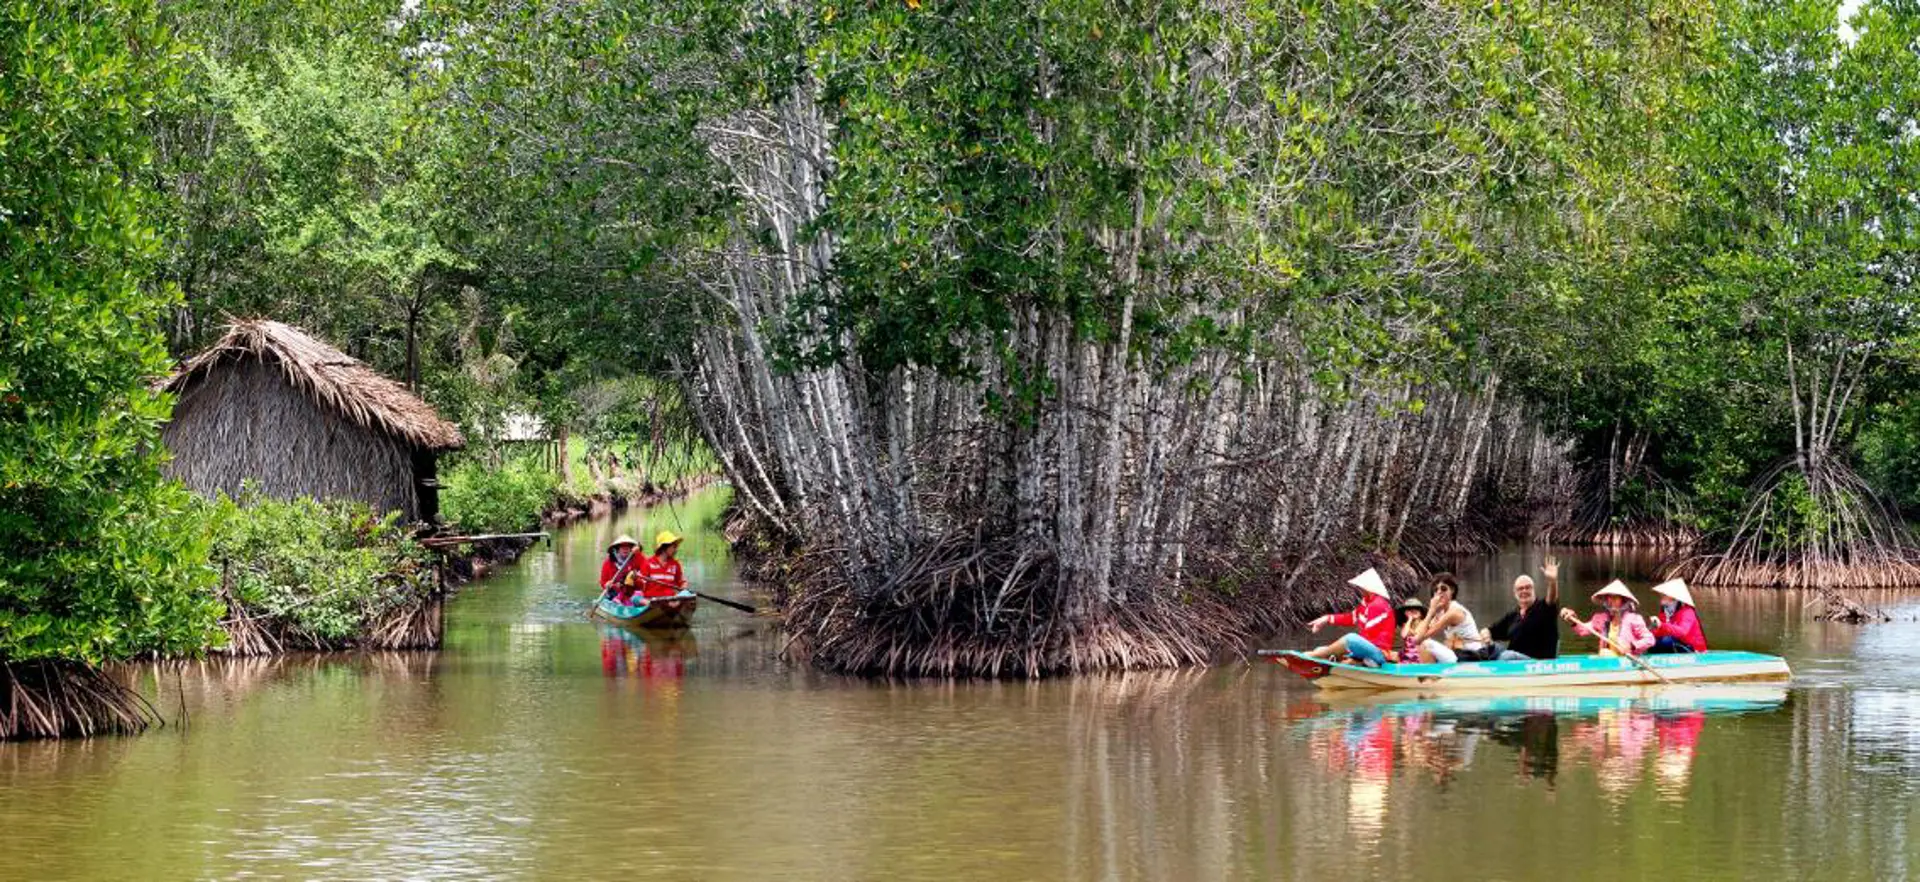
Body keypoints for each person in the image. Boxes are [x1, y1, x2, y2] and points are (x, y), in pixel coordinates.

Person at [1305, 568, 1397, 667]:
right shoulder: (1366, 602)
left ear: (1367, 587)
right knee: (1321, 648)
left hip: (1379, 653)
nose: (1359, 588)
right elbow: (1351, 618)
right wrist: (1326, 619)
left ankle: (1313, 656)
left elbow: (1368, 635)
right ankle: (1324, 656)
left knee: (1351, 639)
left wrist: (1349, 654)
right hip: (1369, 650)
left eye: (1361, 586)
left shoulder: (1378, 605)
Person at [1486, 556, 1562, 660]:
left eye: (1528, 587)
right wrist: (1485, 634)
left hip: (1537, 663)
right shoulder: (1513, 616)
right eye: (1520, 589)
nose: (1524, 591)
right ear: (1515, 593)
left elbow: (1552, 598)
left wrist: (1552, 581)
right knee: (1486, 649)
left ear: (1533, 589)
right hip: (1514, 660)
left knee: (1507, 655)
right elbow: (1491, 631)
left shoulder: (1544, 608)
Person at [1408, 572, 1494, 663]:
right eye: (1436, 590)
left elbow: (1418, 639)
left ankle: (1427, 673)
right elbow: (1418, 635)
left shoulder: (1454, 612)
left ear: (1452, 590)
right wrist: (1433, 611)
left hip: (1472, 655)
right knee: (1423, 645)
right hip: (1458, 654)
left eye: (1443, 589)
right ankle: (1427, 673)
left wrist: (1431, 610)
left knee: (1426, 643)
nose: (1439, 592)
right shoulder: (1441, 612)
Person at [1561, 580, 1655, 656]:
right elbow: (1582, 630)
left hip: (1626, 659)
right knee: (1604, 653)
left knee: (1605, 653)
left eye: (1614, 598)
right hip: (1606, 658)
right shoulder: (1601, 618)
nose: (1610, 601)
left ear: (1623, 601)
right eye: (1608, 597)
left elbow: (1649, 640)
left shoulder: (1634, 619)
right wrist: (1573, 619)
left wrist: (1631, 646)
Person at [1648, 578, 1708, 653]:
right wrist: (1650, 633)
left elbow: (1682, 632)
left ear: (1673, 597)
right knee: (1651, 642)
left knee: (1665, 642)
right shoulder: (1665, 611)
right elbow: (1660, 631)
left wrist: (1661, 625)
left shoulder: (1687, 612)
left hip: (1694, 649)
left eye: (1664, 594)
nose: (1661, 596)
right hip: (1677, 642)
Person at [634, 530, 688, 600]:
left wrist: (684, 585)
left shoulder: (675, 564)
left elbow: (681, 582)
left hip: (670, 599)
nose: (676, 550)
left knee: (687, 594)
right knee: (635, 598)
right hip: (653, 599)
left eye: (676, 547)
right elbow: (640, 585)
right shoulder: (648, 563)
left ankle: (675, 603)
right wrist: (635, 579)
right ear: (664, 547)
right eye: (674, 547)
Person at [599, 535, 643, 603]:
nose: (625, 549)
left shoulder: (637, 558)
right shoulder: (608, 563)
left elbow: (646, 568)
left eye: (628, 547)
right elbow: (603, 582)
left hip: (631, 592)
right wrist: (607, 584)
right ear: (617, 549)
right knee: (613, 596)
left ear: (631, 548)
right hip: (614, 593)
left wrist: (638, 553)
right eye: (622, 547)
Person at [1396, 597, 1429, 663]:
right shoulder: (1406, 624)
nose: (1413, 611)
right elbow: (1404, 635)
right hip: (1406, 654)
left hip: (1420, 653)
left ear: (1421, 613)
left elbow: (1417, 634)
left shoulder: (1423, 623)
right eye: (1410, 610)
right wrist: (1410, 619)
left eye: (1416, 609)